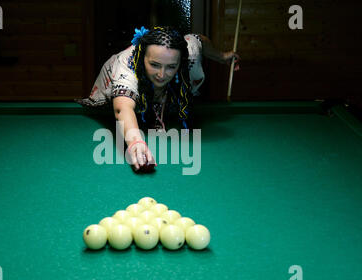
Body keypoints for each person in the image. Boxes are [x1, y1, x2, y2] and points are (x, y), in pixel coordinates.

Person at [77, 26, 240, 172]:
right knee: (133, 107)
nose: (162, 74)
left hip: (160, 96)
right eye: (154, 64)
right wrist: (136, 141)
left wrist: (222, 56)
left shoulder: (189, 51)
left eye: (171, 67)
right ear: (143, 59)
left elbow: (200, 40)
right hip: (108, 99)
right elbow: (122, 108)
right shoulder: (127, 64)